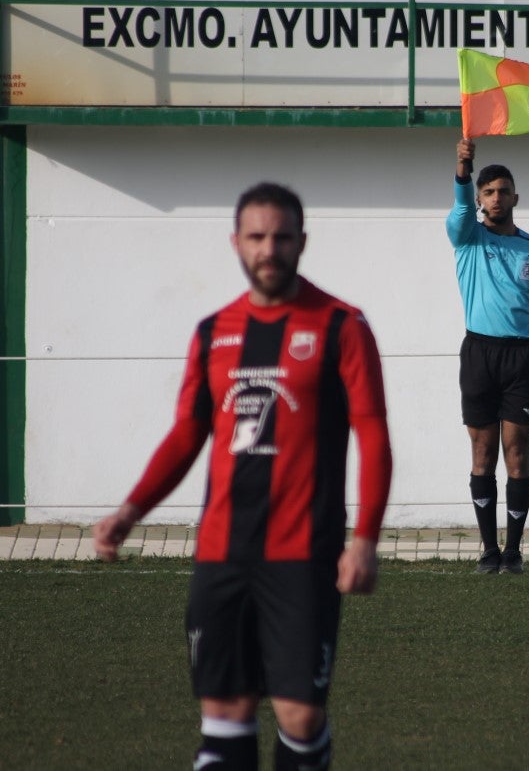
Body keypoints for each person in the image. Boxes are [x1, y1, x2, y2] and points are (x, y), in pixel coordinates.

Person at [93, 182, 392, 771]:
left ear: (302, 242)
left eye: (281, 237)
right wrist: (130, 511)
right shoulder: (213, 331)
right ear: (236, 242)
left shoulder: (341, 326)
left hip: (303, 552)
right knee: (224, 715)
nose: (269, 250)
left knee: (299, 717)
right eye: (256, 237)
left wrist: (365, 540)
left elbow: (374, 434)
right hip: (221, 553)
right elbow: (186, 434)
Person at [448, 138, 529, 575]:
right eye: (488, 192)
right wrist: (463, 170)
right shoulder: (466, 237)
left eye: (503, 191)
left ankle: (514, 552)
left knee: (516, 453)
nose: (496, 198)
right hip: (479, 354)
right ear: (480, 200)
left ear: (516, 197)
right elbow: (460, 209)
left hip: (521, 357)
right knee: (482, 453)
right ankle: (488, 551)